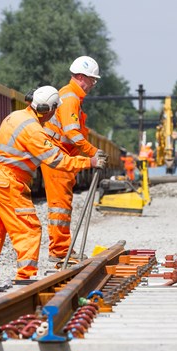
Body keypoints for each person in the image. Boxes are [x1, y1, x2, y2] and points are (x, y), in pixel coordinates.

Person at [0, 86, 107, 294]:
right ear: (46, 109)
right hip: (7, 181)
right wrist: (90, 161)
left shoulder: (16, 116)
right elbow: (56, 159)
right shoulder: (32, 130)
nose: (53, 115)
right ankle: (26, 280)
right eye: (53, 111)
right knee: (29, 229)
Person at [40, 56, 105, 263]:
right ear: (79, 76)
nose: (93, 84)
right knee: (60, 206)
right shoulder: (70, 98)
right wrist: (93, 151)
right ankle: (59, 250)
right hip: (57, 157)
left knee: (63, 205)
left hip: (61, 156)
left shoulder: (70, 96)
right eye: (91, 79)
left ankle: (61, 247)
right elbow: (72, 133)